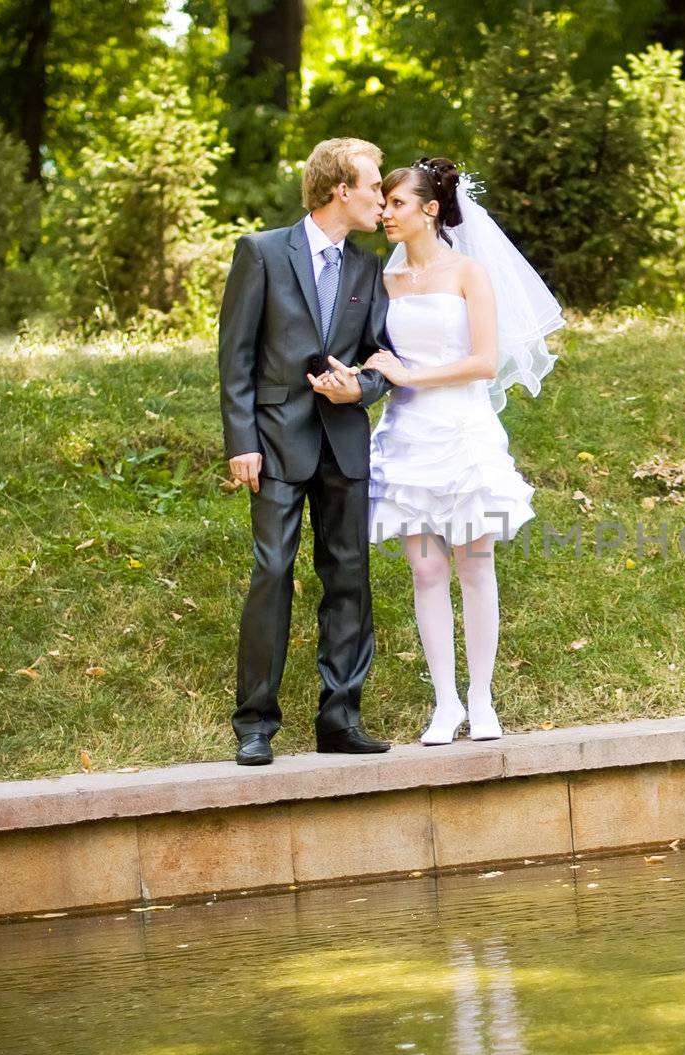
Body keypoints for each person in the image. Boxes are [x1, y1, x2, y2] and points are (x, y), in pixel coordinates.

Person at [308, 157, 562, 746]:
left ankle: (482, 697)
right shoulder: (382, 281)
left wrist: (410, 376)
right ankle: (445, 703)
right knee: (425, 570)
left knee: (475, 564)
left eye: (396, 203)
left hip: (464, 435)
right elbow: (373, 356)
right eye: (383, 201)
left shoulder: (469, 273)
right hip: (407, 441)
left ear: (428, 210)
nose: (384, 212)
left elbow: (484, 361)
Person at [217, 137, 396, 766]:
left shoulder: (369, 270)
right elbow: (235, 356)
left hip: (343, 444)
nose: (382, 197)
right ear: (340, 189)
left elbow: (381, 357)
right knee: (272, 572)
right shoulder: (262, 252)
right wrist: (242, 442)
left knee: (348, 575)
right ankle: (255, 724)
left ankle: (339, 718)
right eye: (375, 186)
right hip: (273, 443)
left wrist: (360, 390)